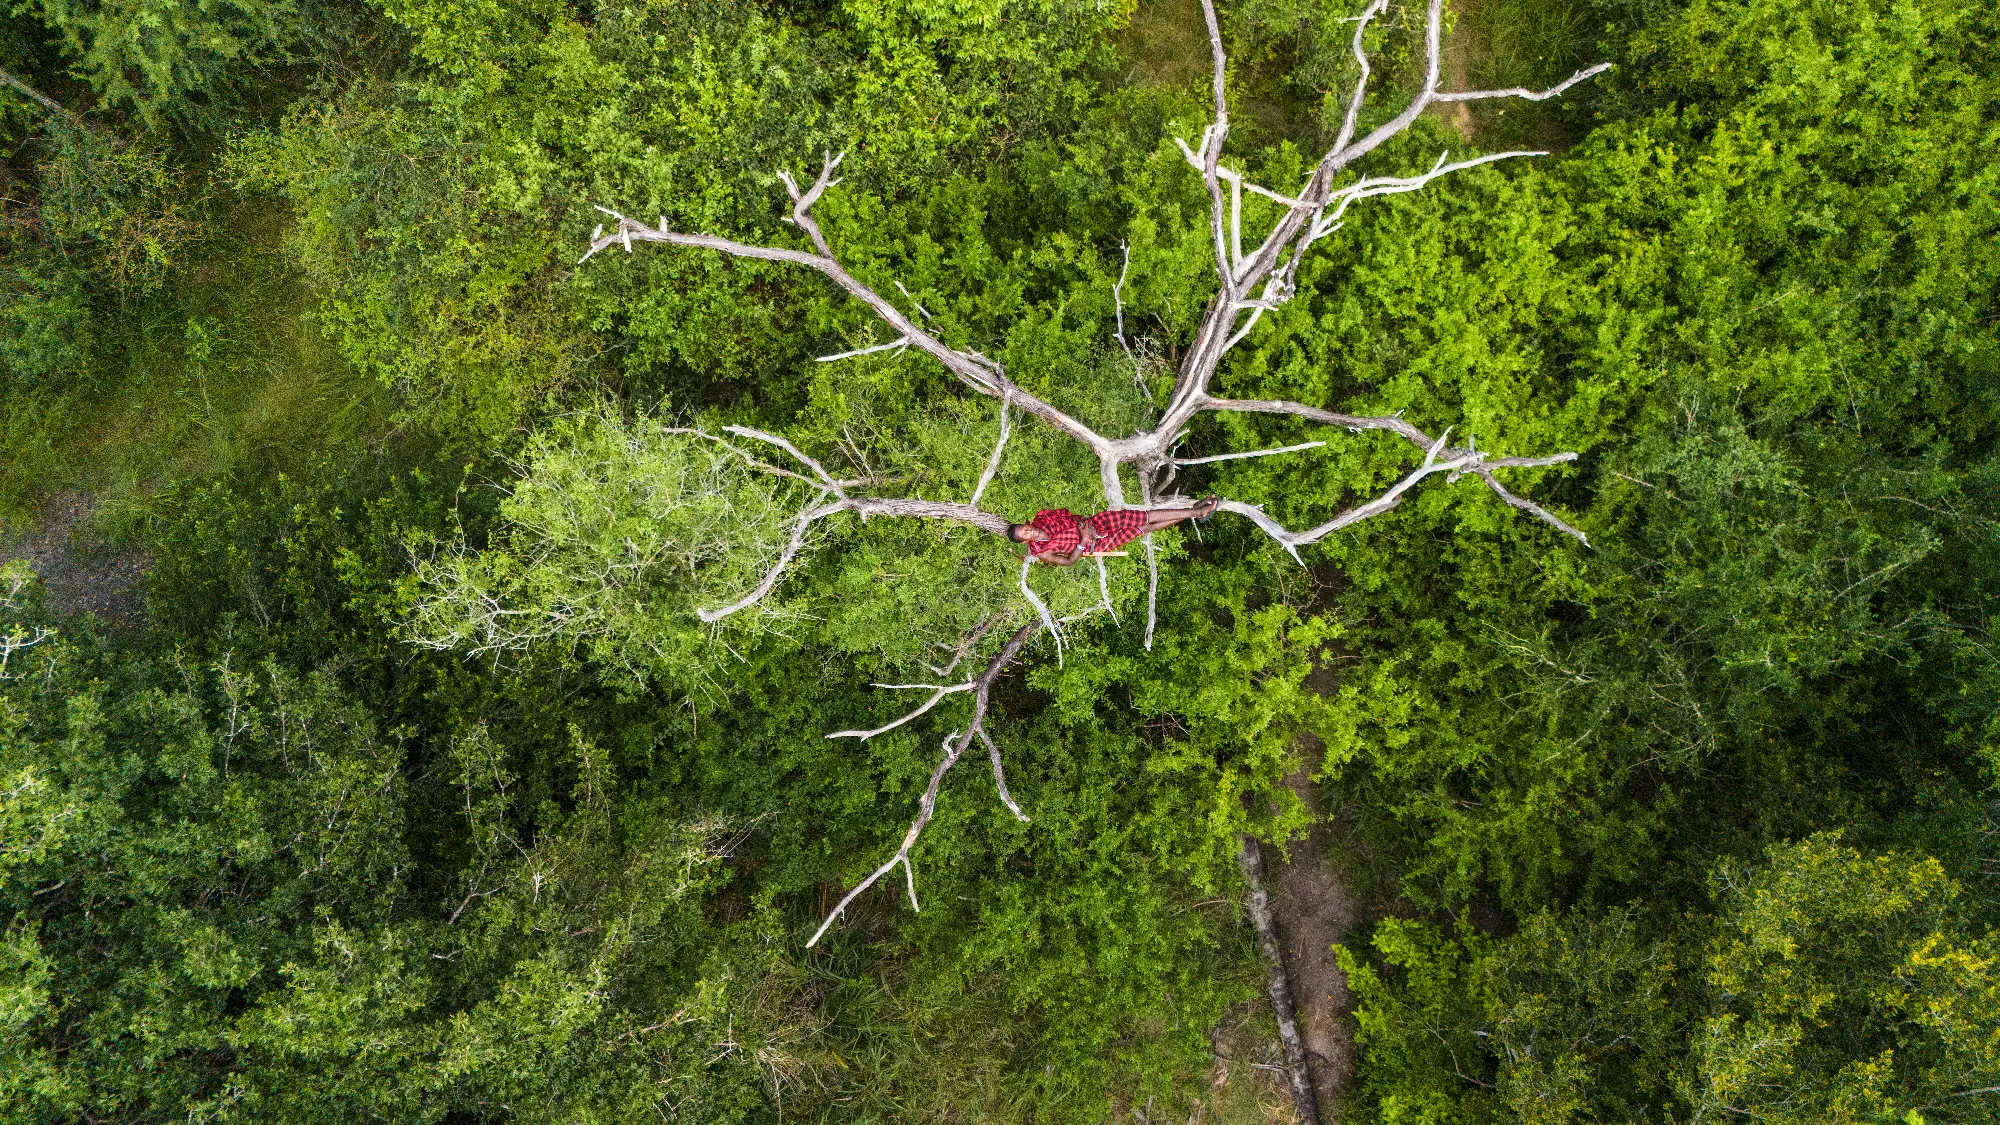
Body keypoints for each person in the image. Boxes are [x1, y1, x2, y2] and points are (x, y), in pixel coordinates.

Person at [1009, 495, 1221, 566]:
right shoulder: (1041, 551)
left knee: (1144, 516)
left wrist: (1086, 526)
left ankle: (1196, 513)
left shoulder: (1043, 517)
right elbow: (1068, 561)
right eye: (1025, 534)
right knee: (1142, 528)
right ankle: (1196, 512)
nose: (1030, 531)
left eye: (1025, 527)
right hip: (1096, 544)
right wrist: (1084, 539)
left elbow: (1070, 516)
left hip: (1095, 523)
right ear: (1024, 541)